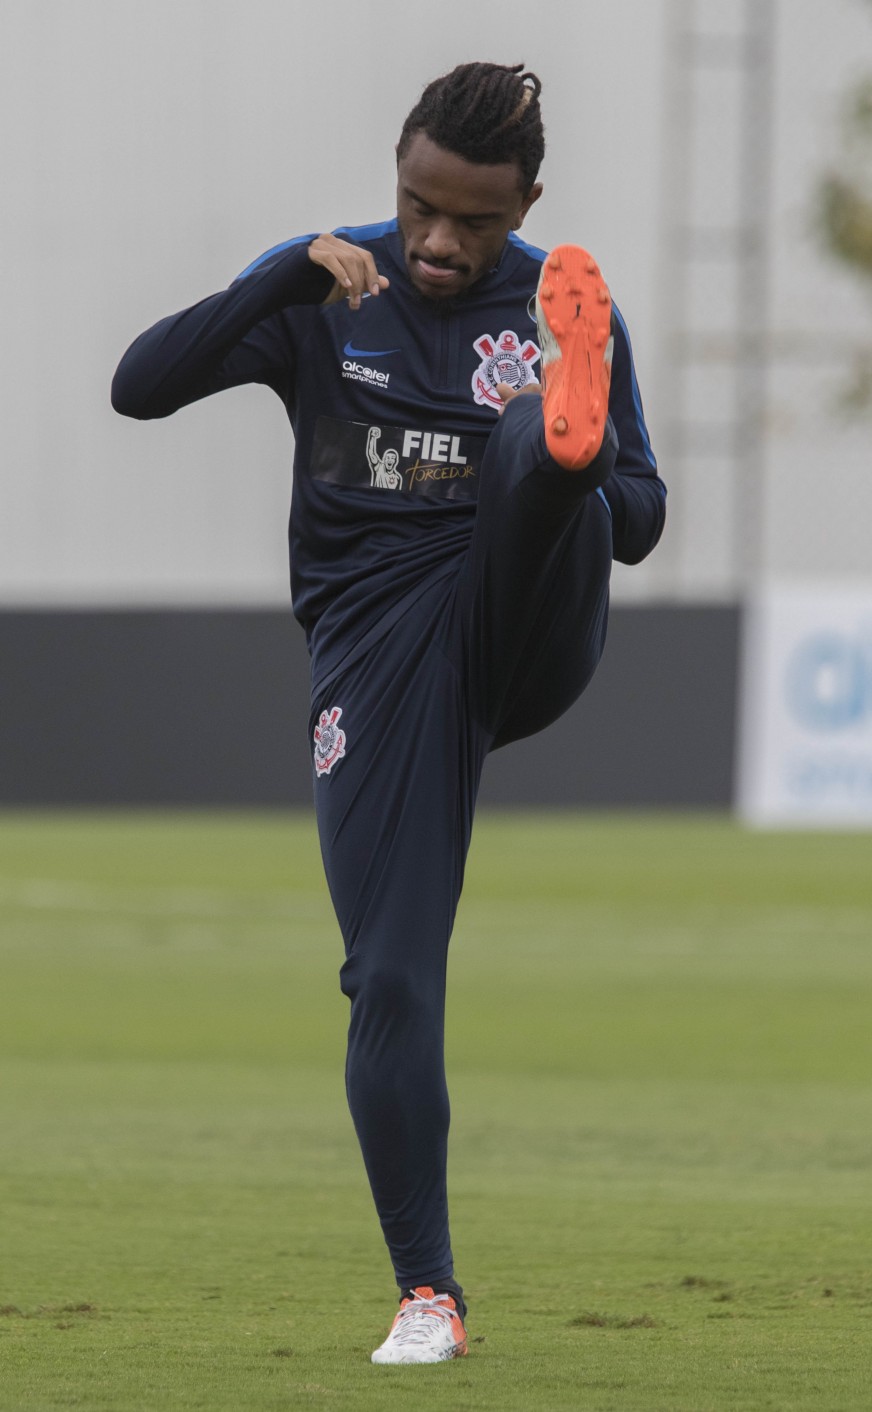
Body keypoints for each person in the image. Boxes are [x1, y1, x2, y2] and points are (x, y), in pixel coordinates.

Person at [112, 60, 666, 1365]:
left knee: (547, 448)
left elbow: (640, 527)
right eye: (417, 204)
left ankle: (549, 436)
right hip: (377, 651)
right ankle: (431, 1298)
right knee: (391, 974)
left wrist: (559, 451)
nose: (434, 240)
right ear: (397, 178)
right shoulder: (328, 283)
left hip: (528, 614)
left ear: (526, 201)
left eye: (474, 220)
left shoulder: (555, 300)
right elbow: (140, 387)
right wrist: (278, 280)